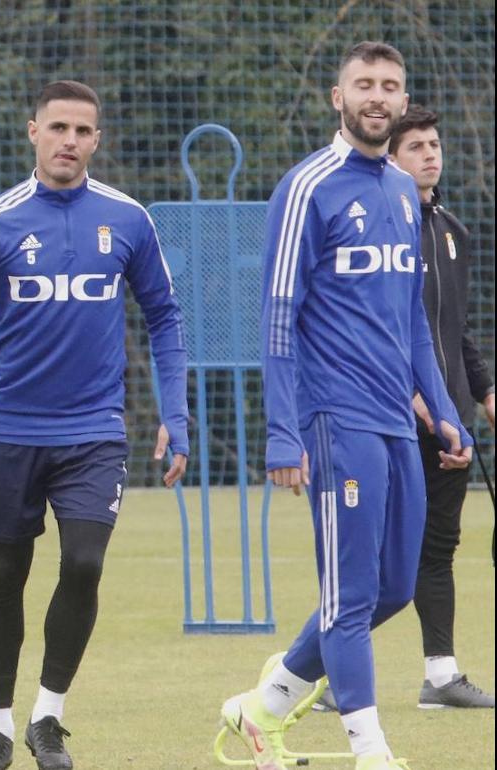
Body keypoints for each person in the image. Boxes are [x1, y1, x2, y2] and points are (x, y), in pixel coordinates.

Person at [0, 80, 189, 770]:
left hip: (94, 432)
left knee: (84, 563)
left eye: (83, 131)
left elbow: (166, 318)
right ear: (32, 131)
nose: (70, 141)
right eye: (58, 127)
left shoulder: (128, 219)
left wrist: (175, 413)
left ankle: (47, 720)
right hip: (10, 431)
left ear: (96, 140)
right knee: (5, 573)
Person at [218, 43, 473, 770]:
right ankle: (372, 749)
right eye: (364, 84)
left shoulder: (399, 188)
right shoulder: (307, 188)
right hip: (334, 417)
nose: (377, 96)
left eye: (390, 86)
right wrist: (281, 431)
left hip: (398, 418)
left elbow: (413, 320)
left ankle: (262, 707)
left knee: (393, 586)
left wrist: (442, 405)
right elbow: (276, 316)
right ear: (339, 96)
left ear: (400, 100)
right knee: (350, 591)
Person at [388, 105, 495, 709]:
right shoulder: (378, 229)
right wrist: (413, 397)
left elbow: (456, 330)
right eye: (416, 147)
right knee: (373, 551)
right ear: (392, 158)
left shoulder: (454, 231)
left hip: (450, 424)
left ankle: (440, 676)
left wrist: (483, 394)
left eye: (434, 144)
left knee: (437, 548)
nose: (430, 154)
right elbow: (373, 328)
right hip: (392, 417)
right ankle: (320, 675)